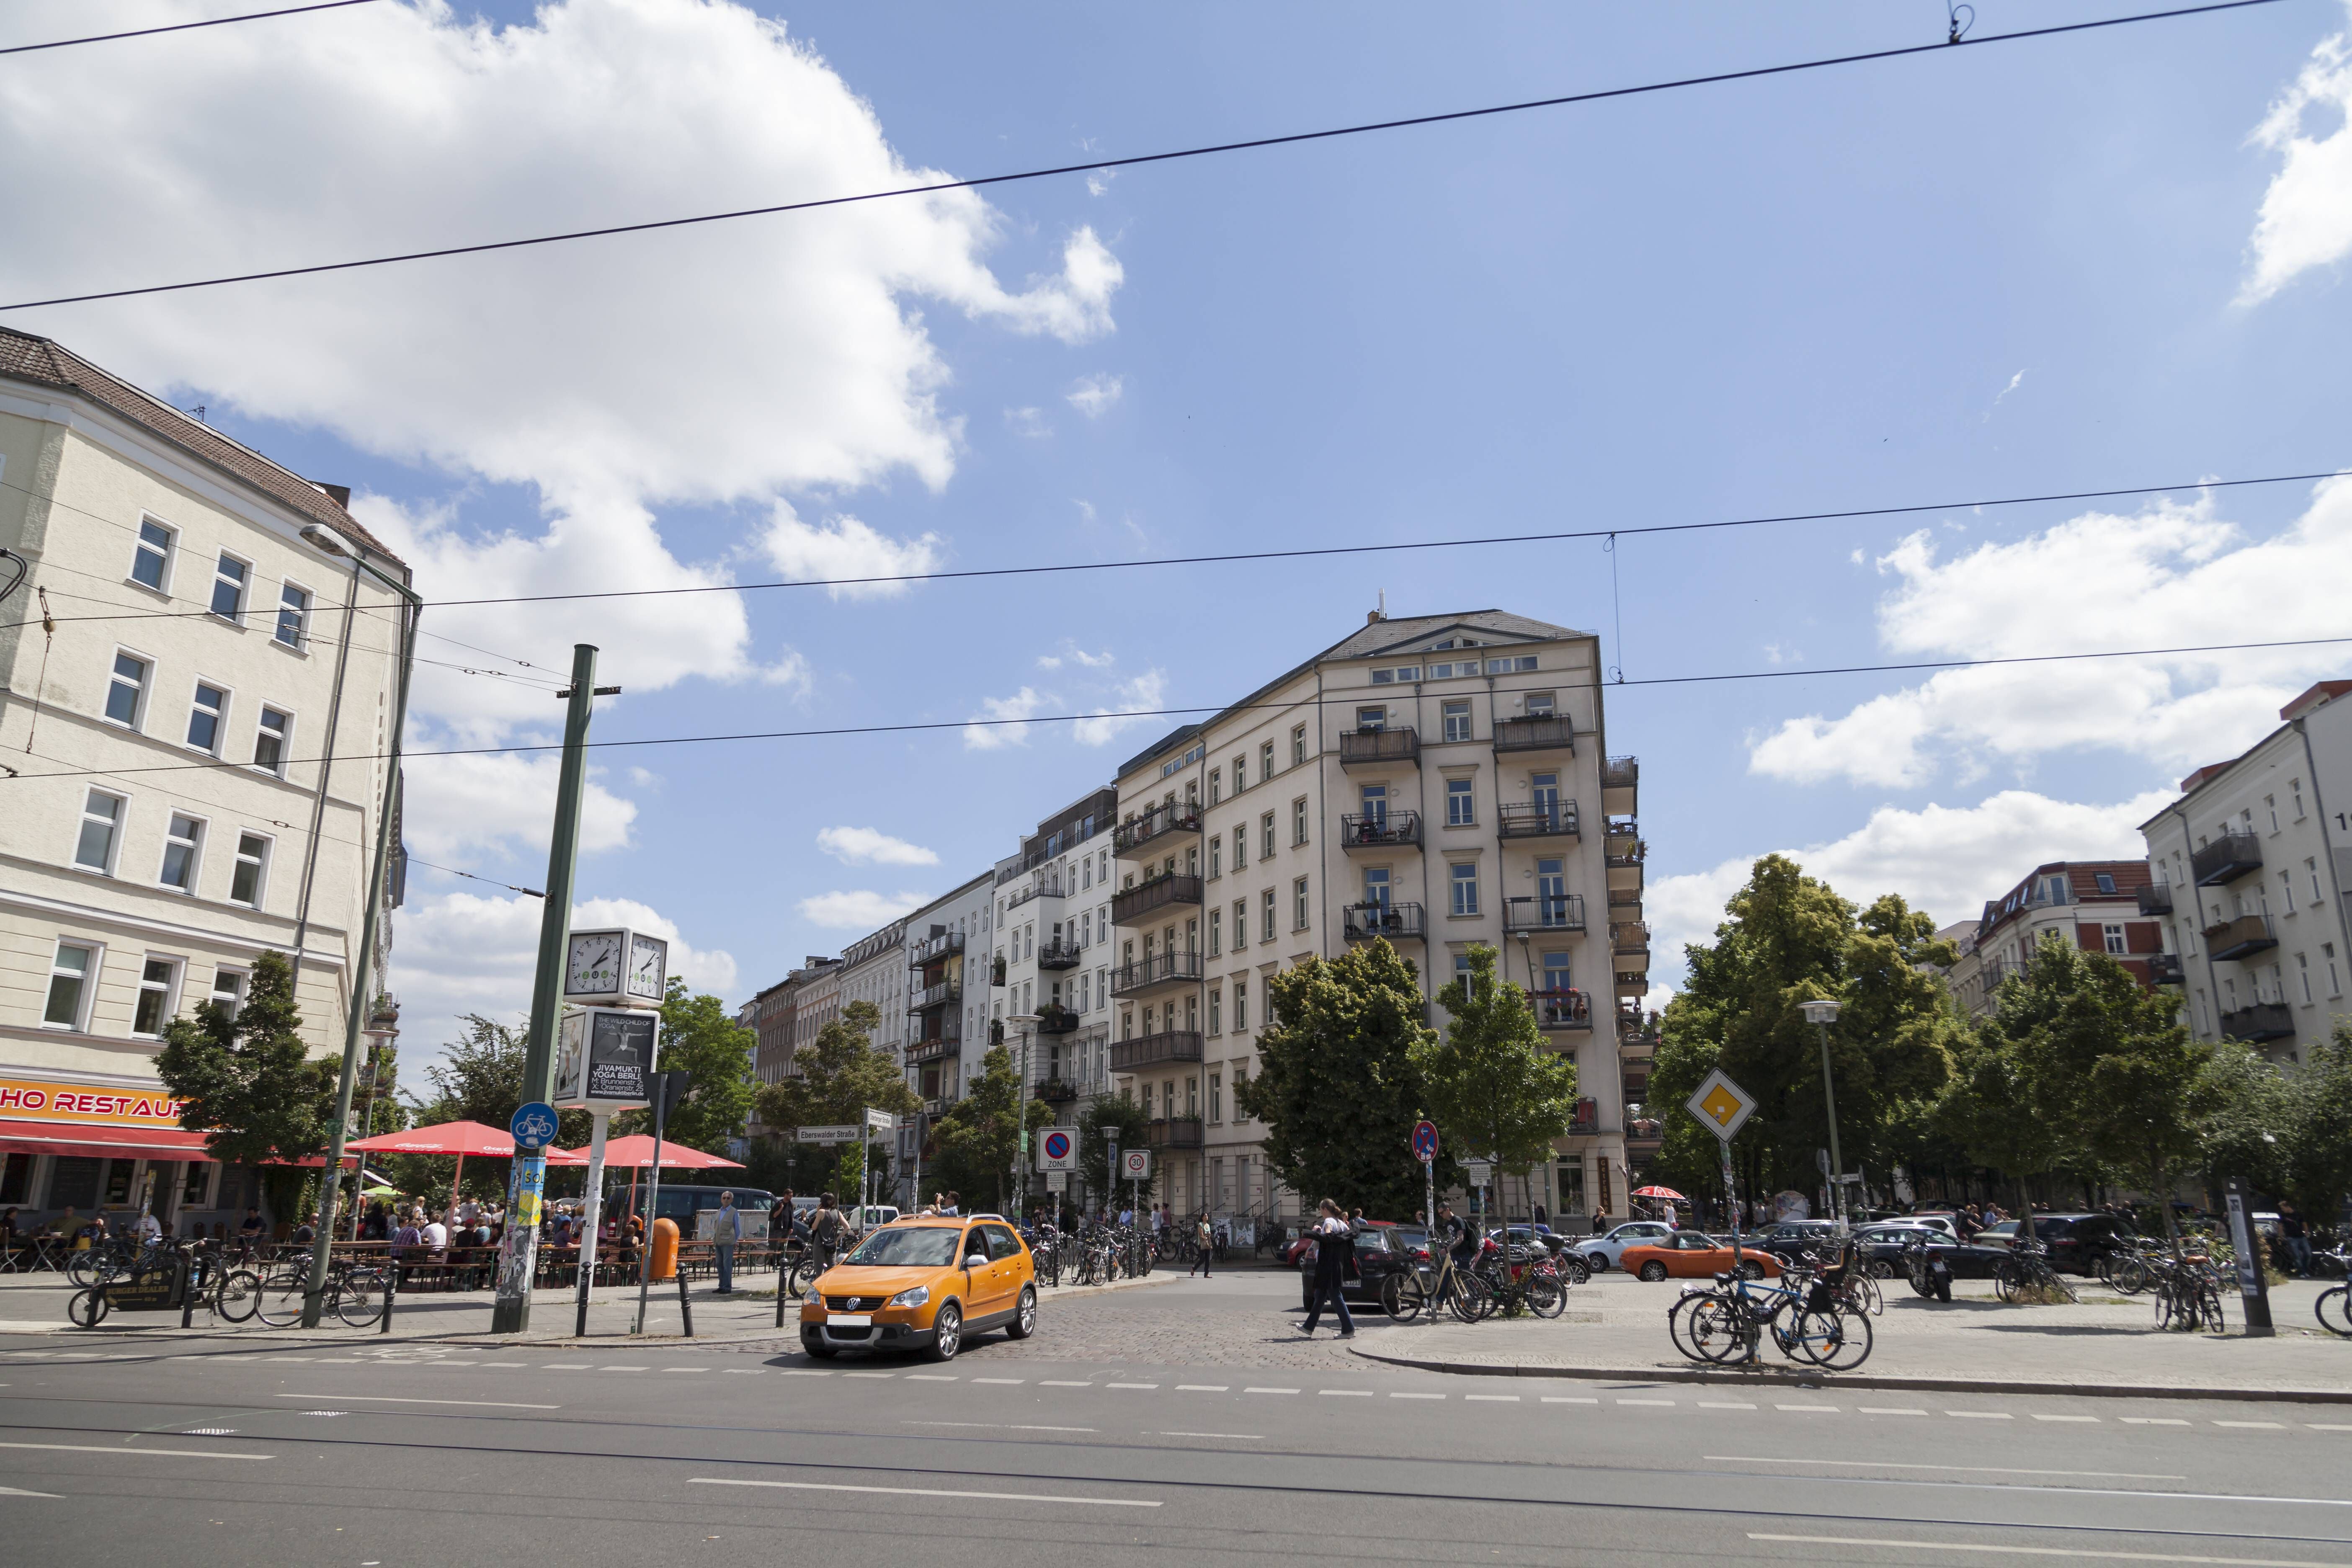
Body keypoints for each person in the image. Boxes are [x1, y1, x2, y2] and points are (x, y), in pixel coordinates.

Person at [1298, 1199, 1355, 1337]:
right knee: (1320, 1296)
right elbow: (1348, 1234)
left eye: (1320, 1209)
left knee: (1335, 1296)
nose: (1321, 1212)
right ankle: (1308, 1327)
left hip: (1328, 1265)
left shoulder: (1329, 1221)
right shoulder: (1341, 1223)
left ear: (1325, 1209)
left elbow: (1328, 1232)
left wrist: (1323, 1233)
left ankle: (1348, 1329)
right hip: (1335, 1264)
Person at [711, 1190, 743, 1294]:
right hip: (718, 1242)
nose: (726, 1200)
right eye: (724, 1198)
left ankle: (727, 1287)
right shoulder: (719, 1211)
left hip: (729, 1242)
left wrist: (736, 1241)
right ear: (721, 1200)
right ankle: (721, 1286)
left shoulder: (734, 1212)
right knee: (719, 1264)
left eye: (728, 1198)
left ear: (732, 1200)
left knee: (727, 1265)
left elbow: (737, 1228)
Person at [2280, 1201, 2311, 1277]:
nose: (2283, 1210)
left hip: (2301, 1237)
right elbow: (2280, 1226)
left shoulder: (2298, 1214)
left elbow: (2304, 1224)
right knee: (2297, 1256)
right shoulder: (2283, 1216)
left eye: (2283, 1208)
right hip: (2291, 1238)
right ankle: (2301, 1272)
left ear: (2288, 1207)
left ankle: (2305, 1270)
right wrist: (2281, 1235)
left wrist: (2306, 1232)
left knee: (2308, 1254)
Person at [1189, 1211, 1214, 1278]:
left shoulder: (1208, 1225)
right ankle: (1193, 1268)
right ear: (1202, 1218)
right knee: (1202, 1259)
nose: (1207, 1217)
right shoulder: (1201, 1225)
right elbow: (1201, 1234)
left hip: (1208, 1243)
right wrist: (1204, 1238)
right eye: (1205, 1216)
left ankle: (1206, 1274)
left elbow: (1209, 1233)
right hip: (1202, 1243)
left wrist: (1209, 1235)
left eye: (1207, 1216)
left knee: (1208, 1259)